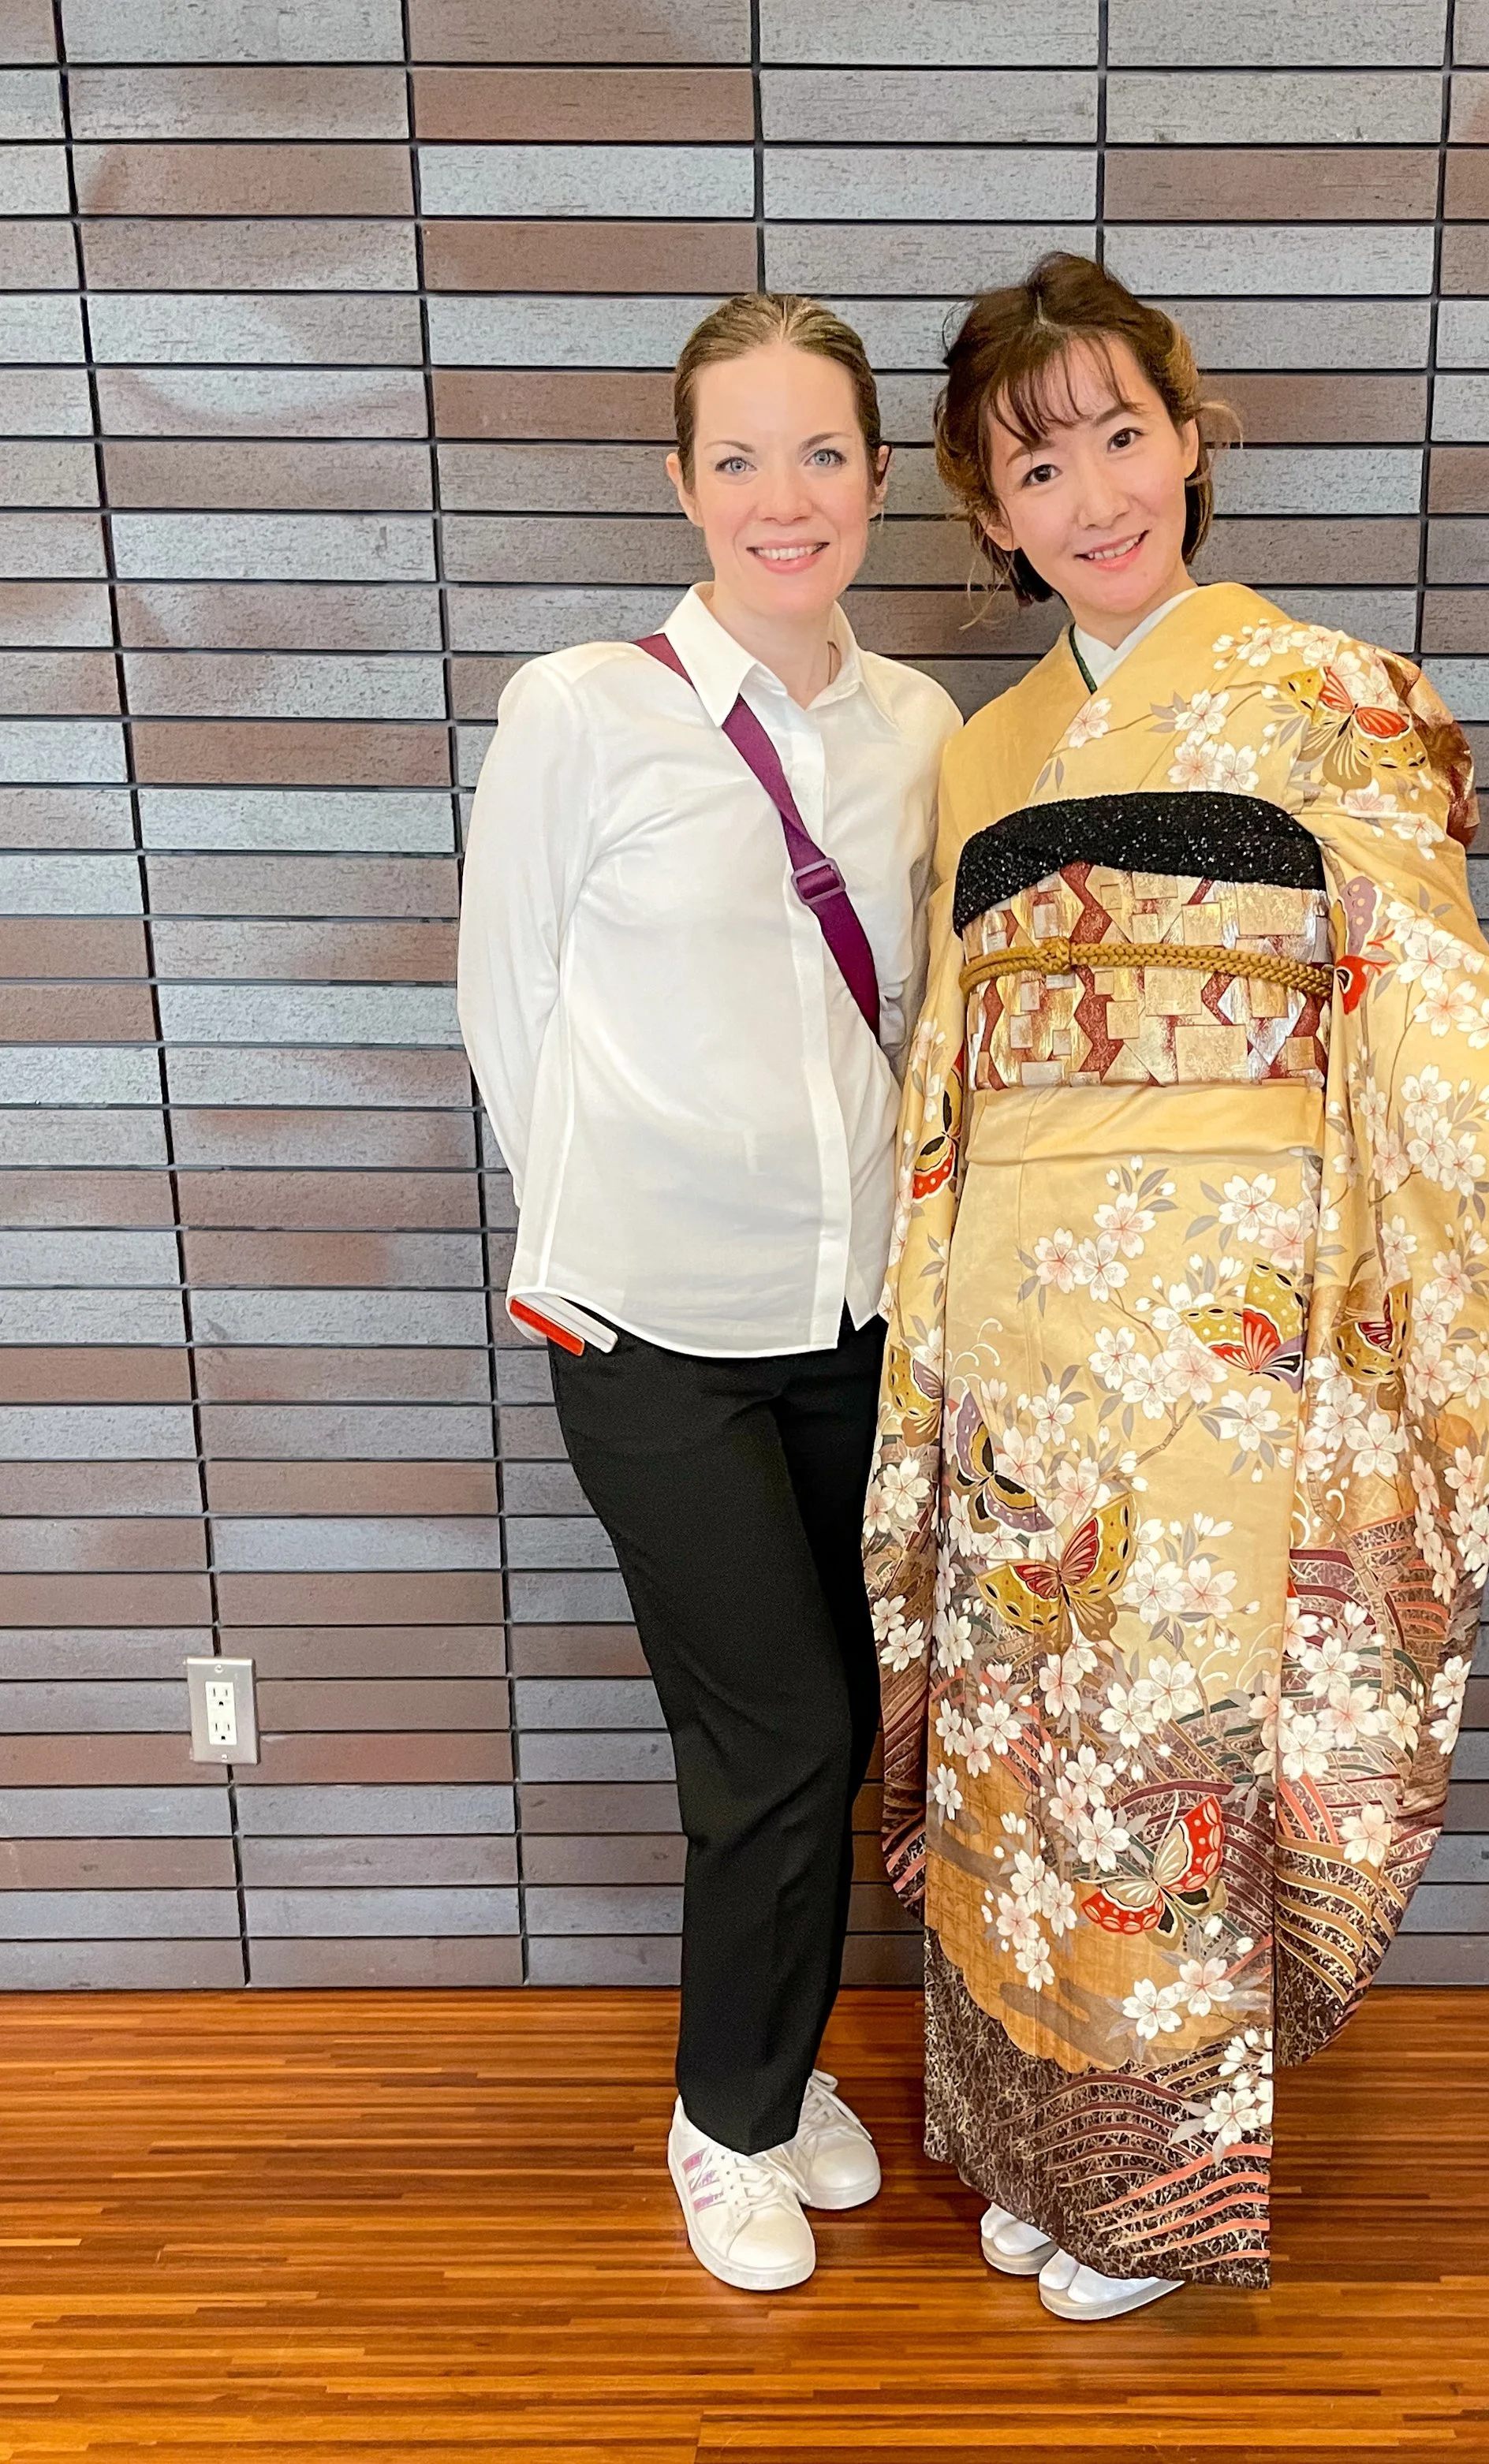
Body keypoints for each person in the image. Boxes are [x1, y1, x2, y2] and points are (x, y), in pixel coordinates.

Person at [862, 253, 1489, 2320]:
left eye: (1124, 433)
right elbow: (946, 1055)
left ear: (1190, 442)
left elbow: (1410, 958)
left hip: (1222, 1319)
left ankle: (1146, 2194)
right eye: (1039, 460)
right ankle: (1032, 2153)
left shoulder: (1326, 689)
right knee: (1021, 1744)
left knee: (1160, 1745)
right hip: (1024, 1313)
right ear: (990, 505)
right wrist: (935, 1309)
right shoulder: (982, 751)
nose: (1094, 489)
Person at [458, 294, 959, 2294]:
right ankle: (726, 2120)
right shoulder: (582, 705)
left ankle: (776, 2063)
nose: (783, 497)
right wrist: (562, 1252)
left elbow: (912, 1020)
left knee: (831, 1734)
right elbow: (506, 1010)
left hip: (853, 1320)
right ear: (680, 484)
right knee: (774, 1738)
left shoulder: (918, 727)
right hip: (648, 1329)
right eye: (736, 457)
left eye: (821, 454)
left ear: (872, 480)